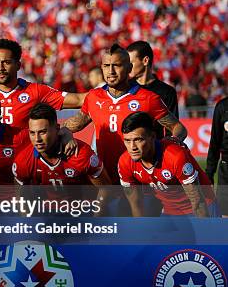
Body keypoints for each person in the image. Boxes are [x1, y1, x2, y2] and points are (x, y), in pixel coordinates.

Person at [64, 44, 186, 185]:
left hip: (140, 182)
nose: (111, 71)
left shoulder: (148, 98)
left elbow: (179, 128)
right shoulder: (93, 97)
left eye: (117, 65)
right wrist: (65, 131)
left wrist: (172, 143)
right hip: (107, 179)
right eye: (106, 65)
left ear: (129, 68)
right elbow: (74, 123)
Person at [12, 103, 112, 215]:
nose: (37, 139)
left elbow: (105, 188)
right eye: (32, 133)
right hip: (46, 214)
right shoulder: (23, 160)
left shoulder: (81, 154)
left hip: (83, 212)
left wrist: (95, 220)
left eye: (42, 132)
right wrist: (27, 222)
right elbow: (20, 194)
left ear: (57, 129)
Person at [118, 112, 216, 217]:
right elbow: (135, 204)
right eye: (127, 140)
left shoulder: (175, 156)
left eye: (138, 140)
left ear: (152, 136)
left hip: (203, 206)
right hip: (171, 211)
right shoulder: (125, 162)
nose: (132, 147)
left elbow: (197, 200)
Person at [127, 40, 179, 136]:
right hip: (128, 148)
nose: (128, 67)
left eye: (131, 63)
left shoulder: (167, 92)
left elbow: (173, 129)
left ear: (145, 60)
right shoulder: (125, 88)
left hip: (155, 148)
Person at [205, 96, 228, 216]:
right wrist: (209, 174)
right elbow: (215, 143)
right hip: (226, 170)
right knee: (225, 215)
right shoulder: (223, 107)